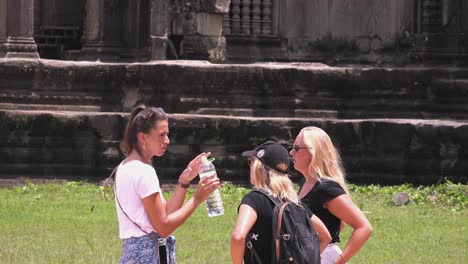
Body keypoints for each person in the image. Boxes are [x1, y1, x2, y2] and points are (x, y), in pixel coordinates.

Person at [115, 105, 220, 263]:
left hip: (131, 254)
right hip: (148, 256)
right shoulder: (144, 172)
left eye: (167, 134)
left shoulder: (125, 166)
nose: (167, 141)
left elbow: (165, 214)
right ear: (143, 137)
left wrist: (184, 182)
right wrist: (197, 199)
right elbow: (163, 227)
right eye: (162, 135)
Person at [231, 141, 332, 264]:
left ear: (259, 167)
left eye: (251, 161)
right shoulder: (294, 202)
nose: (250, 166)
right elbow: (325, 236)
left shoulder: (254, 199)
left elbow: (238, 237)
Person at [290, 126, 373, 264]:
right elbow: (339, 224)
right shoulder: (306, 182)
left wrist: (338, 262)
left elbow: (364, 227)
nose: (291, 152)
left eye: (297, 148)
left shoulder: (326, 188)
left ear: (313, 152)